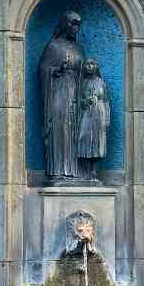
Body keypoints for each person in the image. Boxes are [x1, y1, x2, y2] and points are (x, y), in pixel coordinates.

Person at [39, 10, 85, 182]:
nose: (76, 28)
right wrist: (57, 70)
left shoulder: (79, 49)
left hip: (76, 93)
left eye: (78, 24)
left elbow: (85, 72)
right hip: (58, 93)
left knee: (75, 130)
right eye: (73, 23)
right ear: (64, 24)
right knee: (59, 129)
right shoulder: (53, 47)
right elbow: (43, 71)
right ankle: (58, 170)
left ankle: (76, 171)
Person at [77, 58, 109, 182]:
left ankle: (94, 173)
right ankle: (85, 171)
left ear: (96, 67)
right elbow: (79, 100)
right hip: (86, 113)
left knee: (97, 142)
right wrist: (86, 101)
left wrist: (106, 119)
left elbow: (106, 101)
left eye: (92, 64)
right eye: (88, 64)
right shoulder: (83, 83)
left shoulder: (101, 83)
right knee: (83, 138)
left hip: (99, 113)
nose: (90, 66)